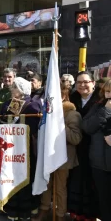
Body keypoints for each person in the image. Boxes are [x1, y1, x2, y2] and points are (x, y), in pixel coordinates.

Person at [0, 77, 42, 220]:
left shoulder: (32, 105)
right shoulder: (8, 104)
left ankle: (25, 210)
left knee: (24, 178)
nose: (11, 89)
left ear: (21, 90)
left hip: (26, 149)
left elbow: (34, 127)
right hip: (8, 148)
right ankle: (10, 207)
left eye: (14, 87)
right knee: (10, 176)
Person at [36, 87, 82, 221]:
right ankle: (44, 209)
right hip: (47, 154)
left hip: (64, 157)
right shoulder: (46, 112)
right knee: (46, 183)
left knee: (60, 188)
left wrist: (60, 123)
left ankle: (60, 214)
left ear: (63, 96)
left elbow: (76, 138)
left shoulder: (73, 114)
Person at [68, 71, 100, 220]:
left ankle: (91, 215)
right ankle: (76, 212)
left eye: (86, 82)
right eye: (79, 82)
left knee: (92, 182)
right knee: (76, 180)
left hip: (95, 146)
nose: (82, 85)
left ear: (93, 83)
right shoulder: (72, 99)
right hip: (76, 147)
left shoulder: (100, 99)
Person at [82, 79, 111, 221]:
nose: (110, 95)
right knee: (104, 201)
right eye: (108, 91)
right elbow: (87, 127)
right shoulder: (98, 107)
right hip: (100, 164)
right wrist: (106, 111)